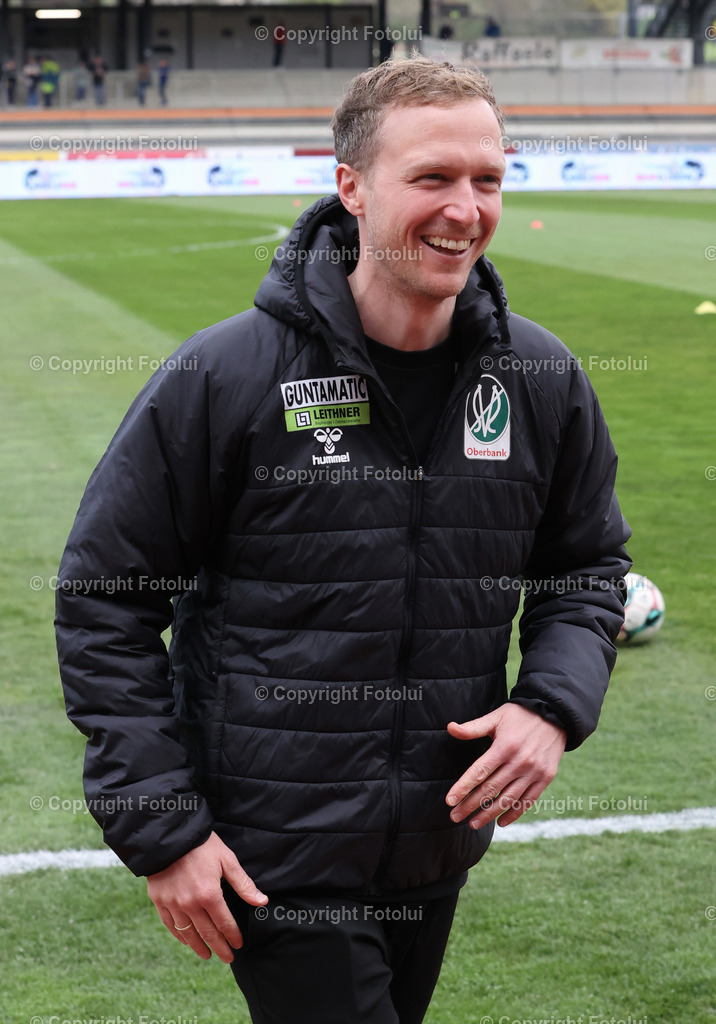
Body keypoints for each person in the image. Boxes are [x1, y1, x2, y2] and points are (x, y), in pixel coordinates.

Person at [55, 55, 631, 1024]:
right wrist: (160, 826)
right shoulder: (225, 374)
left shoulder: (536, 376)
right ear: (351, 187)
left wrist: (550, 704)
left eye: (486, 179)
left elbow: (584, 565)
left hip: (434, 837)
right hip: (272, 847)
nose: (465, 208)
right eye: (432, 178)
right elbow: (106, 598)